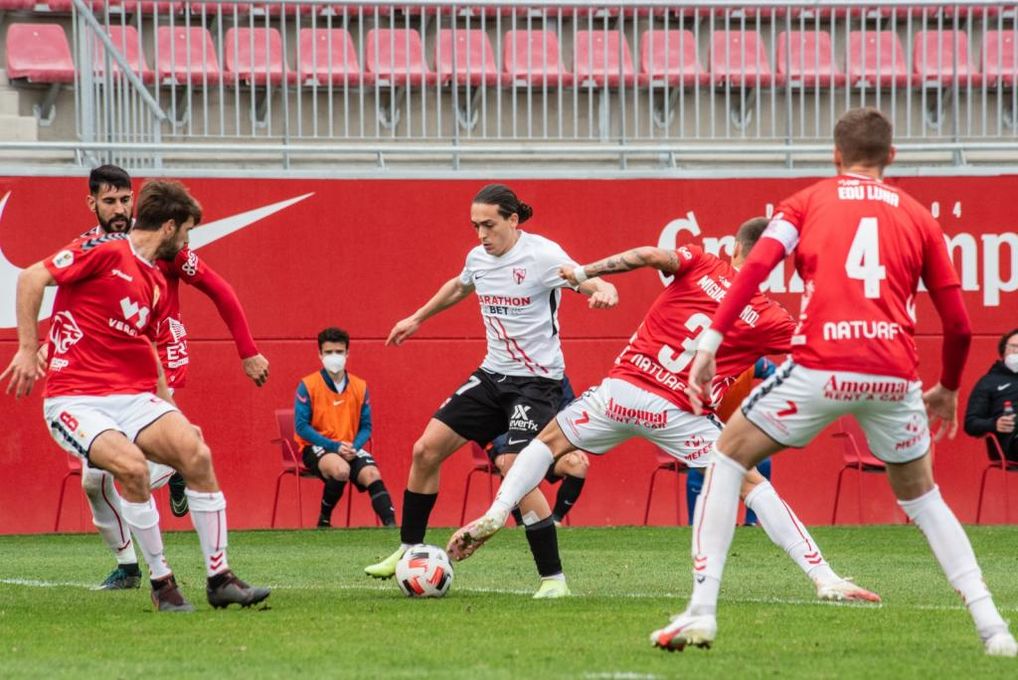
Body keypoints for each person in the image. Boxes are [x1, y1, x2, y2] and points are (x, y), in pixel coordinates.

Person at [658, 107, 1016, 656]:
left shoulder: (805, 203)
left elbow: (754, 270)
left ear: (835, 155)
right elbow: (960, 325)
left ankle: (702, 610)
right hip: (892, 374)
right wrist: (947, 387)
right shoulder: (920, 218)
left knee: (726, 458)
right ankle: (994, 629)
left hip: (821, 365)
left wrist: (710, 344)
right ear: (891, 156)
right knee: (924, 499)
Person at [448, 217, 879, 608]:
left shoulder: (702, 262)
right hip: (677, 413)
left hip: (622, 392)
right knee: (752, 486)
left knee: (546, 443)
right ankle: (823, 577)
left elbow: (647, 255)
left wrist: (583, 273)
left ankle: (497, 512)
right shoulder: (771, 318)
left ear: (734, 247)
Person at [3, 179, 270, 612]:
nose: (187, 242)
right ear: (170, 226)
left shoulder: (156, 283)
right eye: (187, 232)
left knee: (196, 452)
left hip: (132, 396)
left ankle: (220, 578)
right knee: (130, 468)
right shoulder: (105, 250)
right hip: (75, 399)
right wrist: (28, 350)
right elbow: (32, 277)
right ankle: (162, 582)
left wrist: (170, 412)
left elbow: (147, 352)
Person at [363, 184, 618, 598]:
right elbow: (459, 286)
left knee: (515, 466)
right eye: (475, 226)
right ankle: (409, 549)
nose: (482, 234)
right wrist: (417, 318)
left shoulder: (542, 255)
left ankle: (553, 580)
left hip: (537, 384)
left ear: (512, 220)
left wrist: (604, 290)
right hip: (492, 376)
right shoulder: (478, 258)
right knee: (425, 450)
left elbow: (581, 276)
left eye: (489, 225)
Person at [294, 326, 397, 528]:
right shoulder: (308, 385)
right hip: (317, 447)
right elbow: (301, 427)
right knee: (341, 470)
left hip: (350, 447)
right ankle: (324, 520)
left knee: (372, 474)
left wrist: (354, 447)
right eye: (329, 352)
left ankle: (392, 528)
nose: (334, 357)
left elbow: (366, 427)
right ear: (320, 354)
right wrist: (335, 446)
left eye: (339, 352)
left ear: (347, 353)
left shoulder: (360, 386)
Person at [487, 376, 589, 525]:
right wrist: (506, 447)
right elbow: (493, 417)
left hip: (546, 445)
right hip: (508, 444)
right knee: (512, 461)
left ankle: (555, 521)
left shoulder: (557, 376)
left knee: (577, 463)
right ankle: (521, 524)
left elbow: (569, 411)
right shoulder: (503, 374)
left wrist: (572, 445)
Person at [687, 357, 776, 527]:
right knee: (701, 465)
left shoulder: (750, 360)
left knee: (762, 461)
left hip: (736, 426)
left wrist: (764, 398)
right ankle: (694, 523)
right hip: (703, 424)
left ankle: (752, 522)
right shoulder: (703, 360)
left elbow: (773, 372)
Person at [964, 328, 1018, 462]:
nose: (1017, 352)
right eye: (1014, 347)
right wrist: (994, 424)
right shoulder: (989, 382)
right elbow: (971, 423)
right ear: (1003, 351)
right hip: (1010, 443)